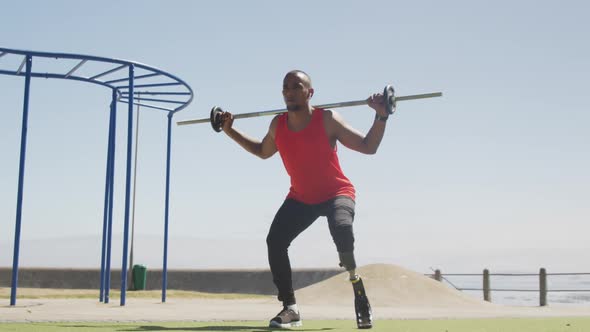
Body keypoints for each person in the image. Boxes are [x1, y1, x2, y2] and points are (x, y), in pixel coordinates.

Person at [220, 70, 388, 329]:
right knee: (275, 241)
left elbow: (368, 146)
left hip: (337, 193)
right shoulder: (278, 125)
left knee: (342, 230)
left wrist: (381, 115)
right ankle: (290, 309)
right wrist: (229, 130)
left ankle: (355, 280)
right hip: (301, 198)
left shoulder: (328, 119)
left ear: (310, 92)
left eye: (296, 86)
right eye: (285, 87)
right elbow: (262, 151)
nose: (289, 91)